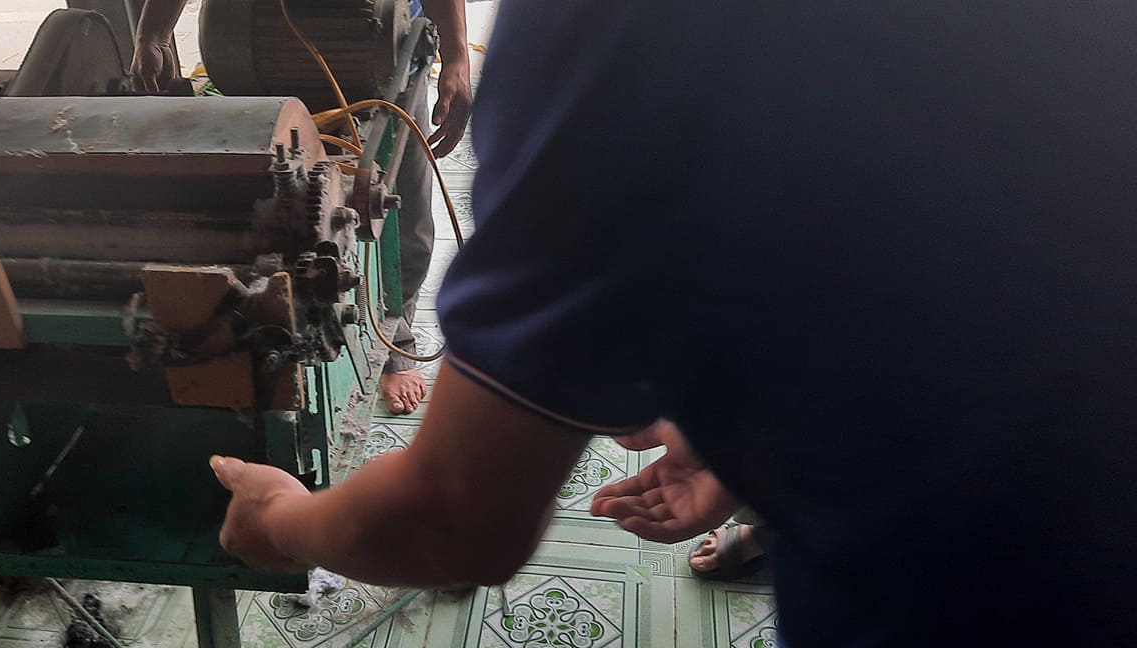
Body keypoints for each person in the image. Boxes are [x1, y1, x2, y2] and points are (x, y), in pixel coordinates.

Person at [207, 0, 1137, 645]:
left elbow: (459, 519)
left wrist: (283, 518)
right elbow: (945, 224)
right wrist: (751, 441)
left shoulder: (611, 30)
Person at [129, 0, 473, 416]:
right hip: (256, 52)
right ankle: (282, 332)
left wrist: (456, 55)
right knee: (269, 202)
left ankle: (395, 341)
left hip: (386, 46)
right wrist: (153, 34)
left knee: (408, 222)